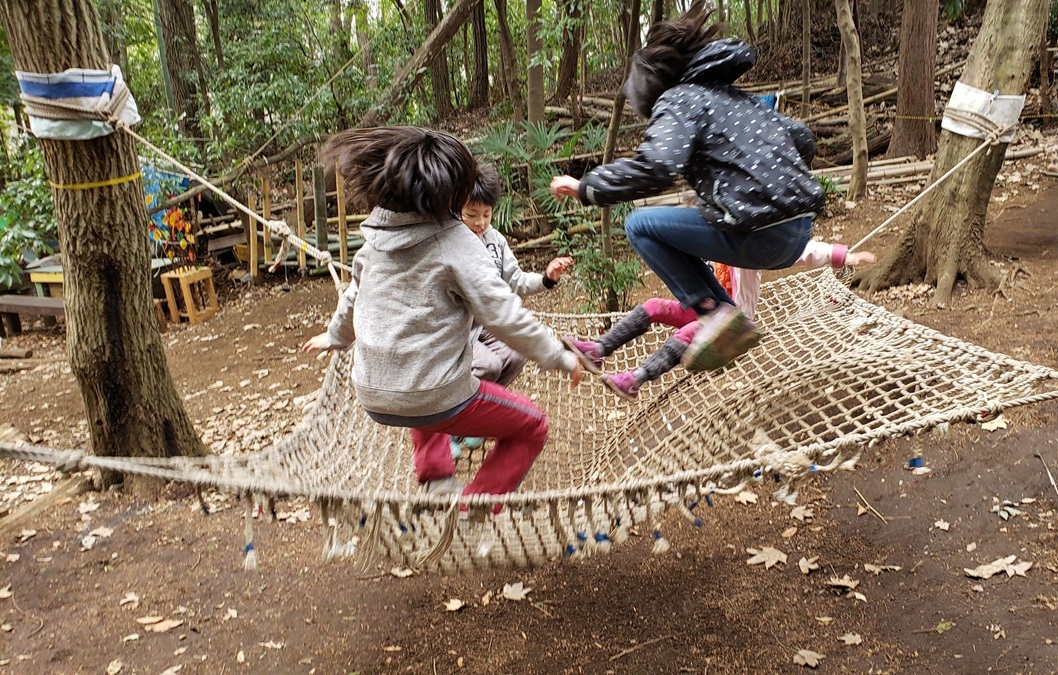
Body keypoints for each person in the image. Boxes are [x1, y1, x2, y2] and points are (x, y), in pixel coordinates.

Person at [301, 126, 583, 511]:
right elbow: (503, 313)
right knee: (532, 426)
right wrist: (560, 358)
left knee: (423, 376)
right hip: (436, 394)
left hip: (372, 393)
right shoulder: (455, 241)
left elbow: (353, 296)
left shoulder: (372, 243)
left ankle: (437, 478)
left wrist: (334, 338)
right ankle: (471, 508)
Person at [551, 2, 825, 372]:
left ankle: (715, 312)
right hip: (797, 232)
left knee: (638, 225)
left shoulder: (679, 99)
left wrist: (587, 187)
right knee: (686, 220)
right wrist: (772, 180)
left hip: (757, 235)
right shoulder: (737, 100)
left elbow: (660, 165)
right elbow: (803, 139)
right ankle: (720, 315)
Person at [568, 242, 877, 400]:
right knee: (654, 305)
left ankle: (635, 380)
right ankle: (599, 349)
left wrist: (842, 256)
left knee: (691, 331)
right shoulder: (704, 243)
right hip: (704, 306)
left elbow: (796, 251)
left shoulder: (747, 247)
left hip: (733, 321)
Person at [452, 163, 575, 457]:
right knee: (488, 366)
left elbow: (516, 281)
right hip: (456, 330)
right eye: (471, 215)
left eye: (486, 214)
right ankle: (452, 426)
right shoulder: (450, 242)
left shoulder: (495, 240)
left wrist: (547, 278)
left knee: (517, 354)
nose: (480, 222)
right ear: (456, 209)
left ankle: (473, 418)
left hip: (484, 325)